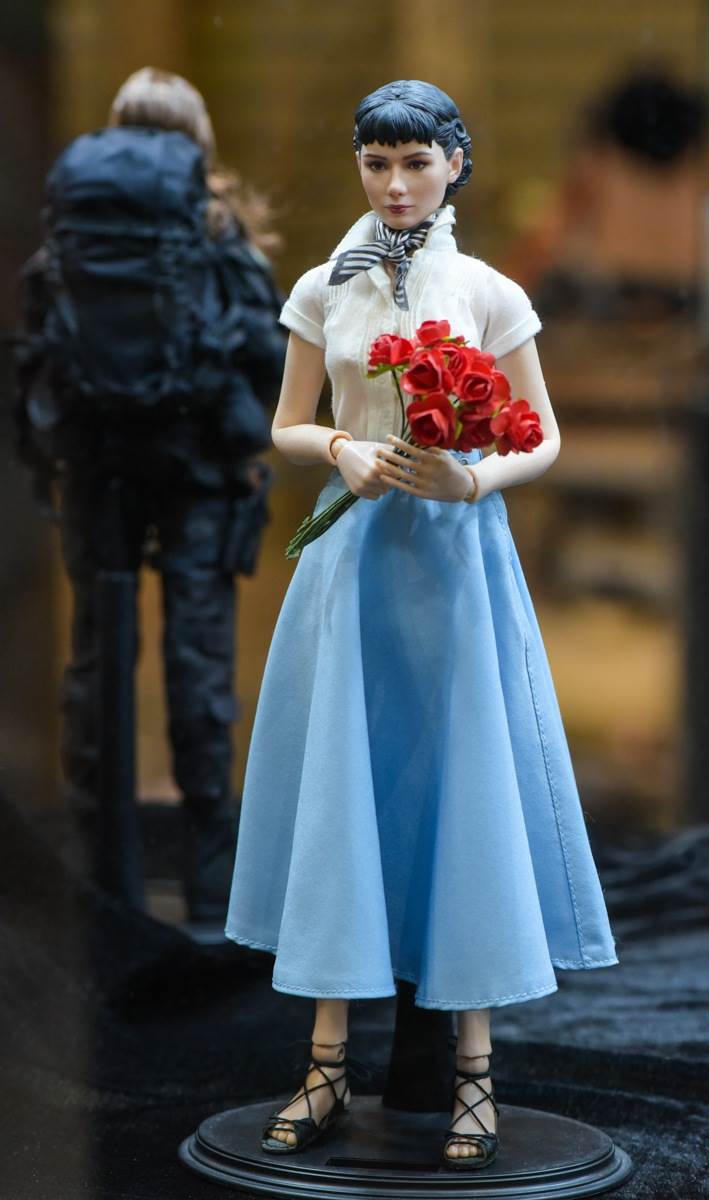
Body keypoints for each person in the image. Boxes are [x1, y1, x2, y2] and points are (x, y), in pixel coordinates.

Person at [224, 79, 617, 1169]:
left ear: (454, 164)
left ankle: (472, 1073)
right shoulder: (324, 286)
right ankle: (325, 1062)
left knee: (463, 789)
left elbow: (541, 434)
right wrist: (338, 449)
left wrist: (473, 479)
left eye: (414, 162)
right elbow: (285, 422)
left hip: (450, 563)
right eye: (376, 163)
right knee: (340, 790)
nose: (395, 185)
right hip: (352, 564)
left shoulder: (488, 291)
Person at [14, 68, 287, 923]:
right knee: (197, 655)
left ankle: (103, 878)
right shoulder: (219, 236)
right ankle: (208, 887)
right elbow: (271, 358)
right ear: (199, 142)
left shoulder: (76, 234)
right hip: (196, 468)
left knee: (98, 655)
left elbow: (38, 344)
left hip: (96, 464)